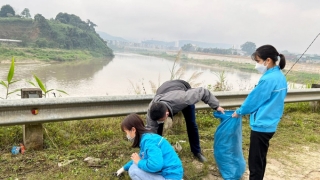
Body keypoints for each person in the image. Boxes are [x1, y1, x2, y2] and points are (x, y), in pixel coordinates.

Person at [232, 45, 287, 180]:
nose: (257, 65)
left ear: (267, 60)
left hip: (262, 124)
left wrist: (239, 112)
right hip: (271, 123)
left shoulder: (268, 79)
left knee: (255, 163)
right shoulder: (279, 75)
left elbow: (254, 100)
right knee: (261, 158)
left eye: (258, 61)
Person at [146, 79, 225, 162]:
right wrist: (149, 149)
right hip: (164, 90)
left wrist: (216, 106)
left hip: (181, 89)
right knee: (157, 128)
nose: (161, 121)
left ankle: (197, 152)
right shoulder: (152, 109)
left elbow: (203, 91)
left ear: (167, 114)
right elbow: (151, 131)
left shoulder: (184, 98)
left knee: (191, 123)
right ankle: (158, 151)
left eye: (162, 119)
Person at [116, 113, 184, 180]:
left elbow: (156, 165)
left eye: (126, 132)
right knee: (135, 166)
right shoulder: (147, 138)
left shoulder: (149, 142)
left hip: (170, 176)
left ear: (133, 130)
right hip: (170, 173)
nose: (126, 135)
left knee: (133, 170)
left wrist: (139, 162)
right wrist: (123, 168)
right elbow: (140, 158)